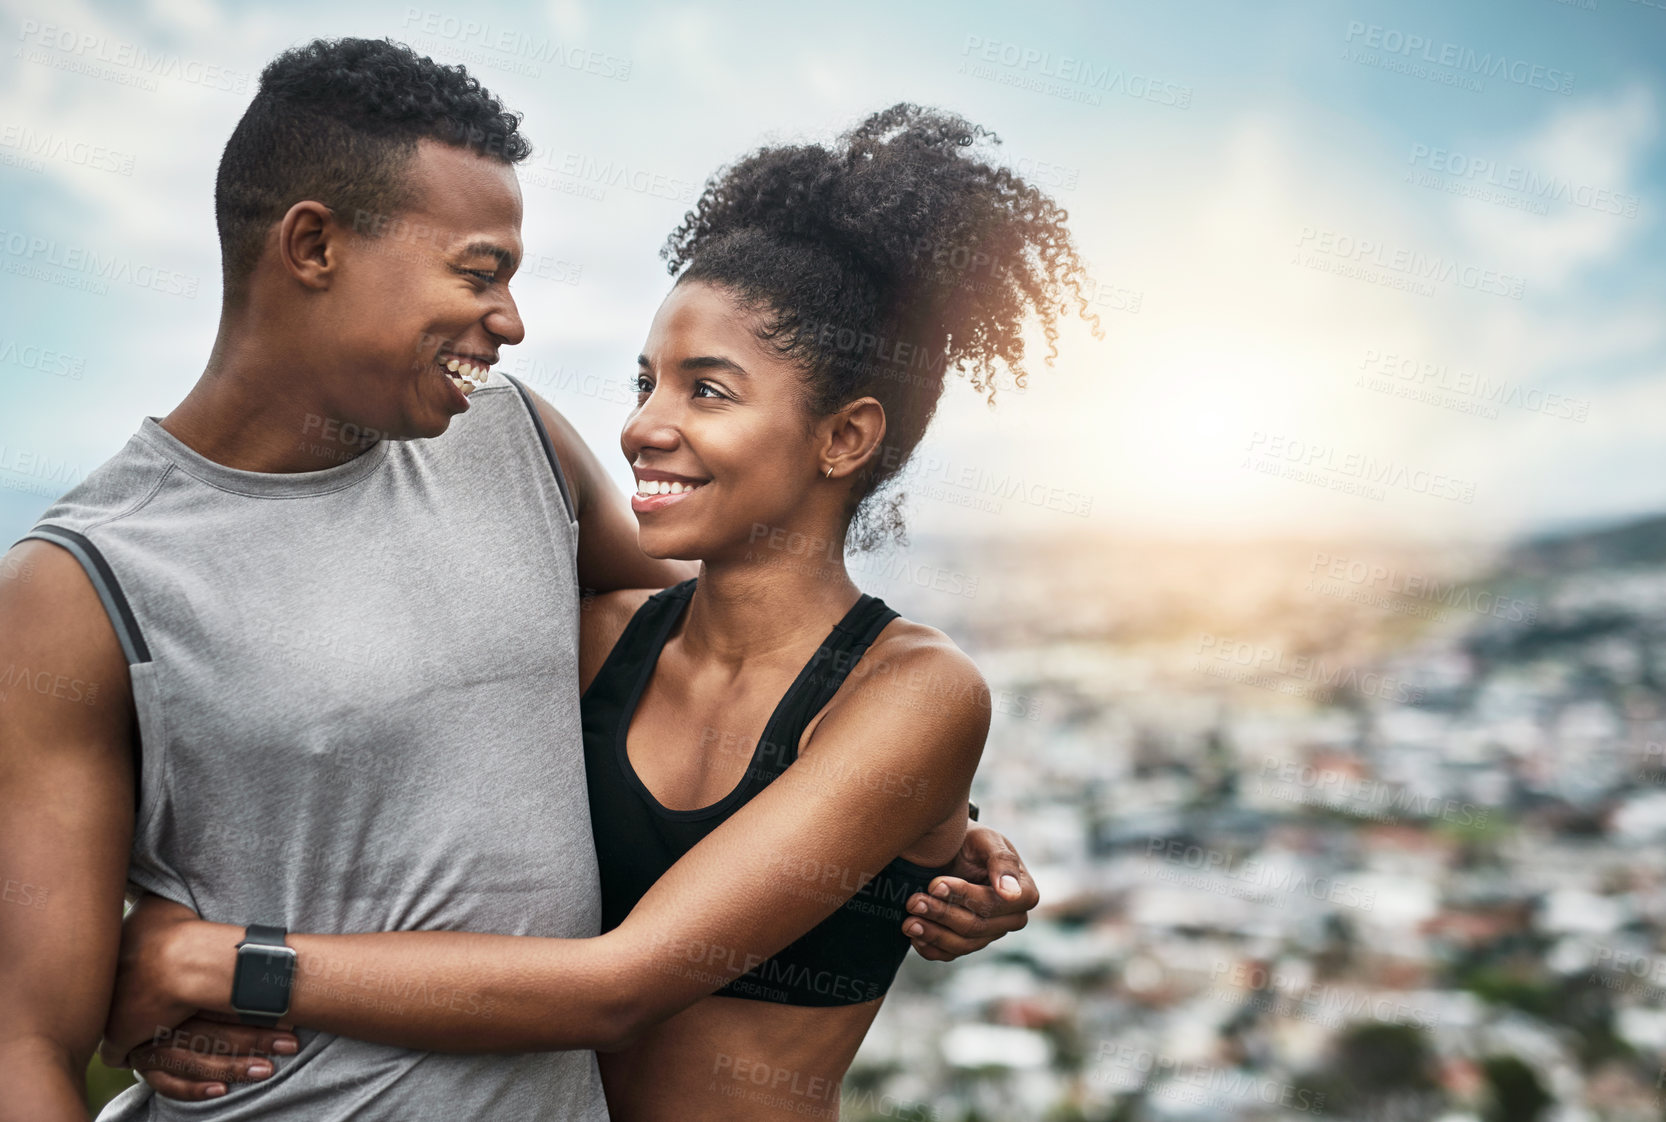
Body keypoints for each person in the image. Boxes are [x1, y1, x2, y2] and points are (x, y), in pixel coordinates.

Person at [0, 39, 1031, 1122]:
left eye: (705, 389)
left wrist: (930, 831)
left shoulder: (515, 441)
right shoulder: (82, 584)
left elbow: (759, 649)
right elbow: (28, 1045)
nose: (512, 321)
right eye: (479, 271)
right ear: (313, 244)